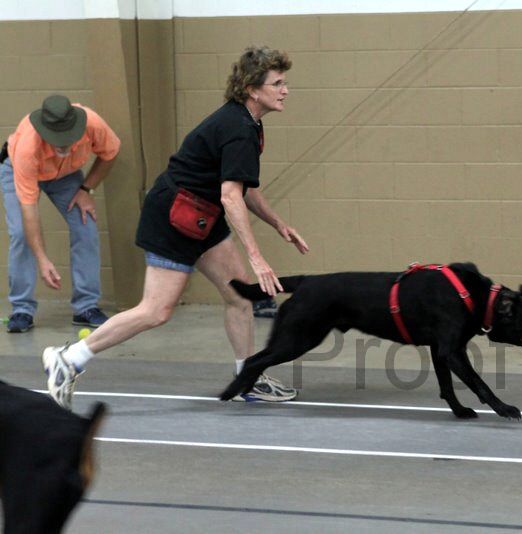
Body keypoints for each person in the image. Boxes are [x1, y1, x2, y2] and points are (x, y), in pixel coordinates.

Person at [41, 46, 309, 410]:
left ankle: (249, 377)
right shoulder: (238, 128)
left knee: (240, 296)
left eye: (284, 82)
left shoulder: (250, 123)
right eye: (277, 83)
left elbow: (244, 188)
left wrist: (279, 224)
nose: (285, 90)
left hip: (202, 215)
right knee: (156, 311)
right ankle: (70, 358)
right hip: (174, 217)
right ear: (252, 89)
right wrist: (257, 257)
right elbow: (231, 197)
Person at [1, 95, 119, 333]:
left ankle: (86, 306)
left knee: (86, 226)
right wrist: (43, 259)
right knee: (21, 234)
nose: (62, 144)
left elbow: (110, 153)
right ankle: (22, 309)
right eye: (56, 139)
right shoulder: (27, 147)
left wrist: (86, 189)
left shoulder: (94, 124)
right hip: (20, 171)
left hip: (66, 176)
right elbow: (29, 210)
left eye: (67, 138)